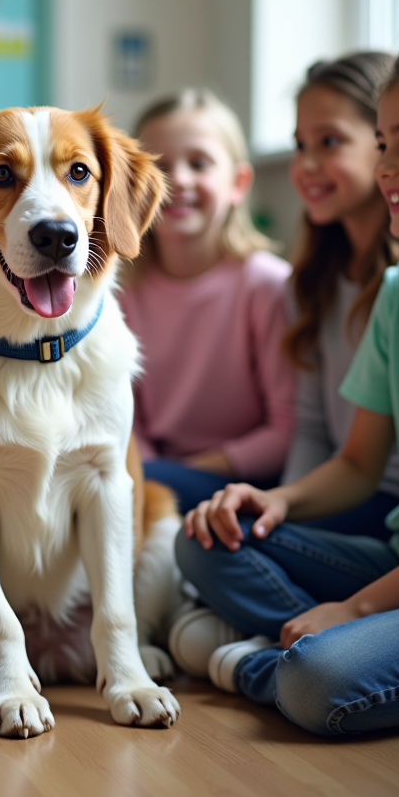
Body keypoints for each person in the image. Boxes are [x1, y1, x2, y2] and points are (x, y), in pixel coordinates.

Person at [171, 32, 399, 736]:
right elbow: (356, 465)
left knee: (322, 682)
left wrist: (358, 610)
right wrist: (274, 498)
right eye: (380, 143)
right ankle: (322, 642)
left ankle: (263, 662)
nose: (386, 166)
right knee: (202, 539)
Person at [119, 90, 296, 515]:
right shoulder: (122, 292)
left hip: (245, 481)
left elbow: (286, 428)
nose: (178, 180)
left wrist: (184, 472)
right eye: (159, 166)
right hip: (151, 470)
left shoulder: (266, 285)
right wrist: (153, 469)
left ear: (238, 184)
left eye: (199, 163)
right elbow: (125, 418)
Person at [282, 52, 399, 540]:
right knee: (216, 536)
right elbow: (313, 429)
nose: (307, 165)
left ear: (384, 145)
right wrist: (282, 515)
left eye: (330, 142)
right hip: (336, 494)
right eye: (300, 145)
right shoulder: (311, 281)